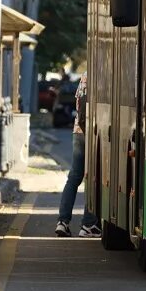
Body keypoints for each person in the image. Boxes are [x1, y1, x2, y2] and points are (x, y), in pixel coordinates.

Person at [56, 74, 100, 237]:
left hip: (78, 131)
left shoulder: (85, 76)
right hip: (92, 132)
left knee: (74, 176)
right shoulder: (99, 72)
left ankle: (63, 221)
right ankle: (88, 224)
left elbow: (79, 104)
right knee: (93, 177)